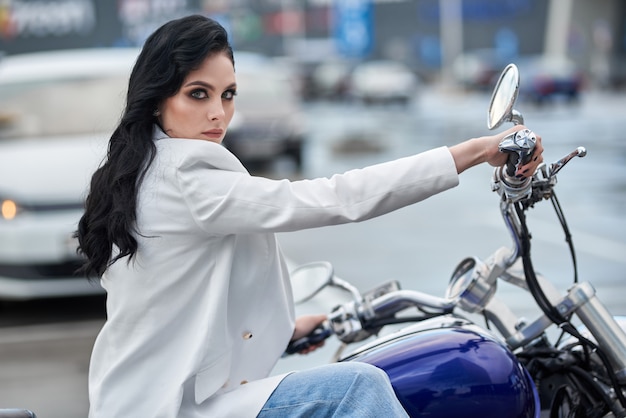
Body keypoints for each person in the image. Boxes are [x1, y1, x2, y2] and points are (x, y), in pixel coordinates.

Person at [76, 14, 544, 418]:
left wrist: (284, 329)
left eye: (228, 94)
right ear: (159, 97)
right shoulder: (186, 170)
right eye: (199, 94)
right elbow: (334, 198)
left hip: (146, 401)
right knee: (357, 386)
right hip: (171, 409)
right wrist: (471, 152)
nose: (219, 114)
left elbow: (173, 302)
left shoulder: (141, 169)